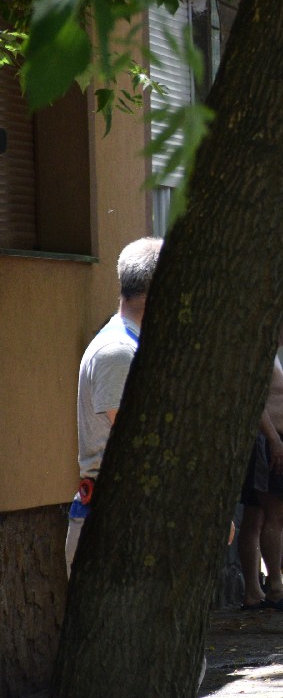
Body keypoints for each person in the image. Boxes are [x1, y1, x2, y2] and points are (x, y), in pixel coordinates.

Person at [67, 237, 163, 574]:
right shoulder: (118, 352)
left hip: (127, 517)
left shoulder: (132, 346)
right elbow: (139, 444)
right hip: (114, 522)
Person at [237, 313, 283, 611]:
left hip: (266, 441)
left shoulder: (267, 354)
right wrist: (273, 440)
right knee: (278, 513)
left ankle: (253, 591)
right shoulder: (259, 354)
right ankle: (274, 587)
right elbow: (255, 400)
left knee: (255, 516)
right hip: (265, 442)